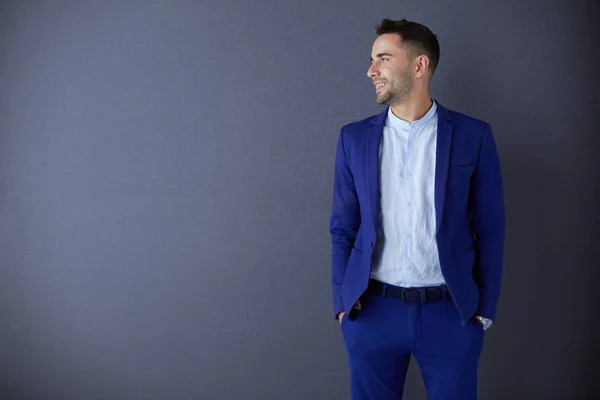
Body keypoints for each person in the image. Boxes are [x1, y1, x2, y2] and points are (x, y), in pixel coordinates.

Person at [329, 18, 506, 400]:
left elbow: (491, 228)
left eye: (384, 59)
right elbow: (343, 228)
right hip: (372, 311)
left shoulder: (473, 136)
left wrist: (482, 311)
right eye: (373, 59)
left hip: (450, 313)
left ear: (419, 65)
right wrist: (344, 307)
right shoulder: (353, 138)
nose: (371, 70)